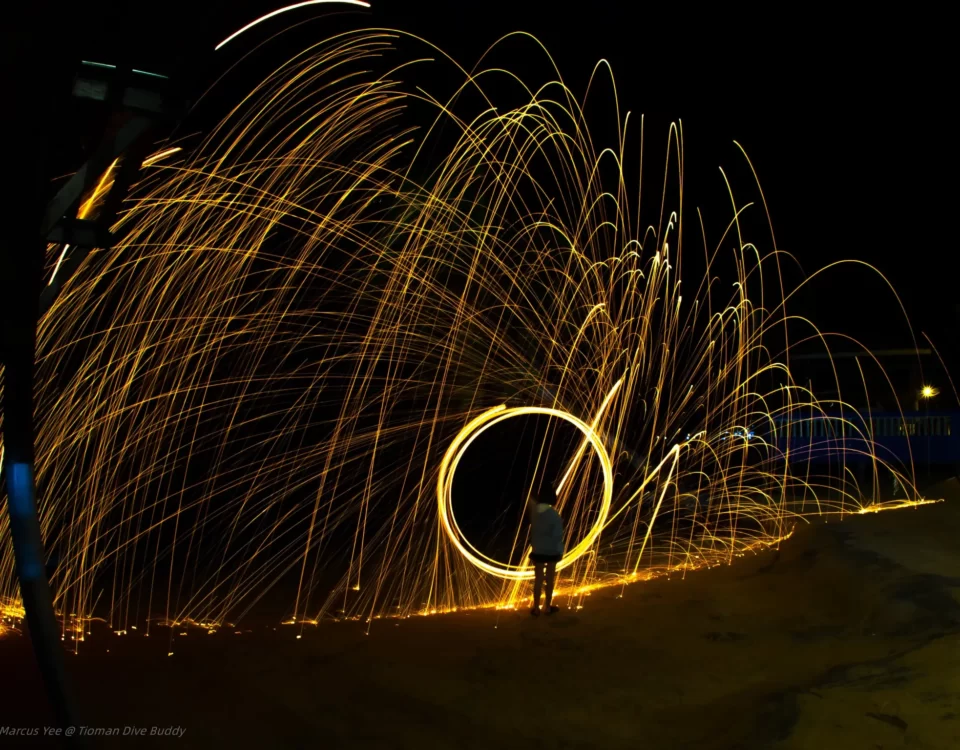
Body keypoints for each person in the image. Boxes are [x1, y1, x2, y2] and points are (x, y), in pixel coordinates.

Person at [527, 490, 564, 616]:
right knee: (549, 579)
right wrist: (560, 550)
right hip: (552, 551)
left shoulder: (534, 513)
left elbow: (530, 503)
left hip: (538, 550)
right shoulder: (554, 515)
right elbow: (558, 535)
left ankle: (536, 608)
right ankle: (547, 607)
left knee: (538, 579)